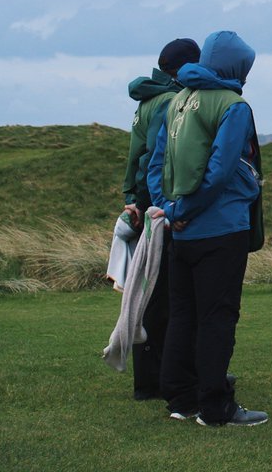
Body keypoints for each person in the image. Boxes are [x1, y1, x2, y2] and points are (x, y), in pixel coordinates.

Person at [147, 30, 267, 427]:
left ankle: (181, 396)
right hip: (220, 228)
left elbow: (157, 163)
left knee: (184, 313)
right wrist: (189, 208)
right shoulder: (234, 106)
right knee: (218, 316)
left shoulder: (178, 101)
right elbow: (220, 170)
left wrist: (170, 209)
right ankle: (216, 406)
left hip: (181, 232)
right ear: (236, 67)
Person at [111, 38, 200, 400]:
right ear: (184, 69)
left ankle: (147, 381)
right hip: (158, 207)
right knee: (163, 297)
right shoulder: (169, 102)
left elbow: (136, 156)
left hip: (140, 202)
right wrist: (162, 202)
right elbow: (156, 159)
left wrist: (132, 198)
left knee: (147, 293)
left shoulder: (147, 98)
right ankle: (163, 379)